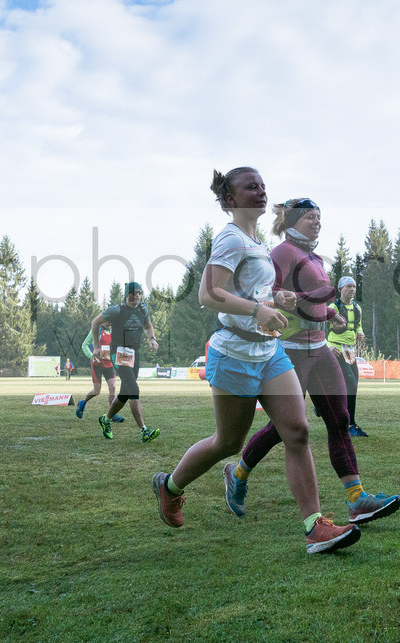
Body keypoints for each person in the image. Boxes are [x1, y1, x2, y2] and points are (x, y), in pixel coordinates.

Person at [153, 167, 360, 555]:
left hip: (268, 351)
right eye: (252, 187)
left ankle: (315, 527)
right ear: (230, 199)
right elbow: (208, 294)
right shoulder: (230, 238)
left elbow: (252, 290)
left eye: (263, 186)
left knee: (296, 431)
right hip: (234, 352)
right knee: (228, 442)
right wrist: (256, 310)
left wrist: (274, 301)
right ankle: (169, 487)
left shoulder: (256, 239)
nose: (261, 192)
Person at [225, 197, 400, 527]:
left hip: (319, 350)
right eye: (310, 217)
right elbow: (267, 292)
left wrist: (330, 312)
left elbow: (315, 299)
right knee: (283, 428)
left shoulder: (314, 256)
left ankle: (357, 499)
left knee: (339, 419)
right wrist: (302, 299)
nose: (317, 221)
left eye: (319, 216)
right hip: (289, 351)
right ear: (292, 221)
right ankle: (237, 473)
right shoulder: (283, 252)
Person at [89, 282, 161, 443]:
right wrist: (96, 346)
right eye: (133, 293)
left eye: (139, 292)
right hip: (119, 352)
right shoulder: (116, 310)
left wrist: (152, 338)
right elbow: (95, 323)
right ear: (127, 294)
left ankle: (106, 420)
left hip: (135, 352)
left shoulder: (143, 309)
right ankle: (144, 430)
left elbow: (148, 326)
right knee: (134, 388)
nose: (137, 295)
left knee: (125, 393)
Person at [327, 276, 368, 437]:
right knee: (350, 383)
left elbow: (358, 326)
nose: (352, 289)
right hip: (335, 349)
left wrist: (360, 333)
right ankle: (350, 425)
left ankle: (324, 404)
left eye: (354, 286)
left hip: (350, 351)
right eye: (348, 286)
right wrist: (328, 346)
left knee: (353, 386)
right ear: (340, 289)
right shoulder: (333, 307)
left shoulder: (358, 308)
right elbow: (319, 330)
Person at [75, 321, 121, 421]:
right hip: (97, 365)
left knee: (112, 387)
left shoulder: (114, 331)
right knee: (96, 391)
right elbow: (84, 345)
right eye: (106, 320)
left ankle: (112, 415)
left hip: (109, 364)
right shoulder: (96, 331)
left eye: (110, 320)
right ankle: (83, 402)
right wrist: (91, 356)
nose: (108, 322)